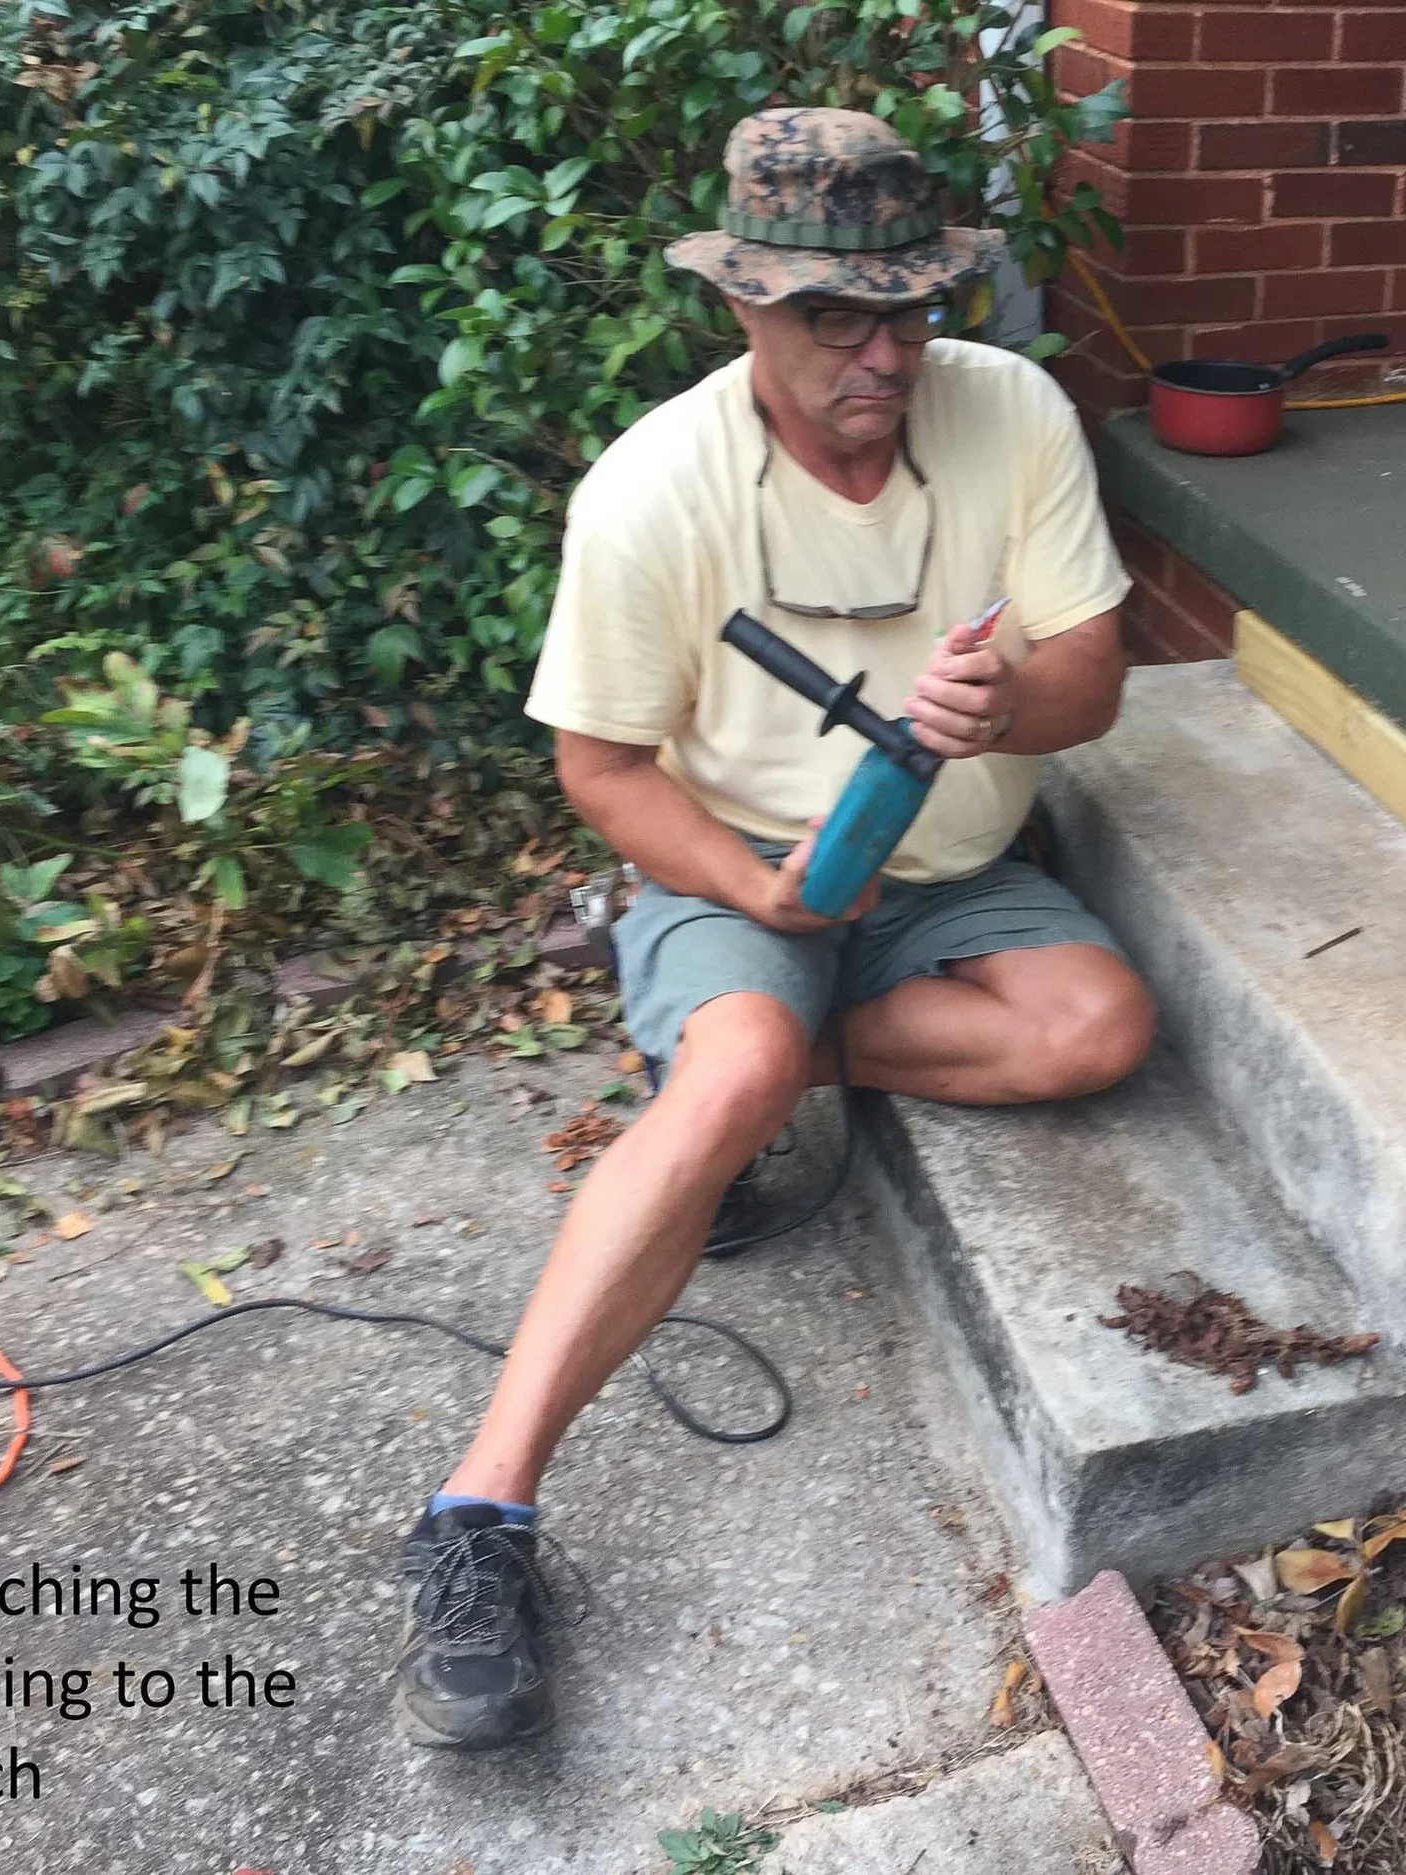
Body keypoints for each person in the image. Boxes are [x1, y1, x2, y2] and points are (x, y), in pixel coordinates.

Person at [389, 106, 1157, 1749]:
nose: (883, 354)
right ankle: (477, 1513)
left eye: (910, 309)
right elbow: (600, 766)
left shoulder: (1012, 411)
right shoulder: (651, 490)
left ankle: (761, 1069)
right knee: (734, 1067)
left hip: (953, 870)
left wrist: (1004, 703)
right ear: (743, 302)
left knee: (1097, 1025)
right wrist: (759, 895)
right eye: (833, 316)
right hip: (735, 859)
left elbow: (1091, 676)